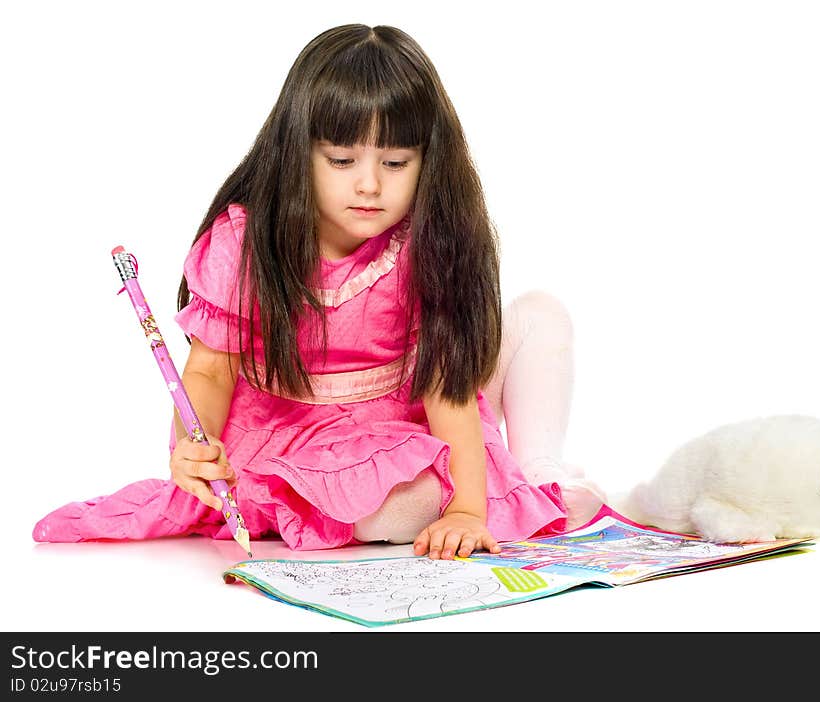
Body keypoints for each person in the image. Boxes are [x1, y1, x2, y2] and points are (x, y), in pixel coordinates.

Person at [33, 24, 604, 559]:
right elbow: (209, 374)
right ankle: (472, 487)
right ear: (298, 150)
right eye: (342, 159)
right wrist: (192, 448)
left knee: (541, 317)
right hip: (296, 435)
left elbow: (446, 383)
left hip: (413, 409)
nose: (370, 184)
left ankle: (538, 473)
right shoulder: (247, 241)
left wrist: (467, 509)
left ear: (428, 162)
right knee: (382, 511)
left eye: (396, 162)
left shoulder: (424, 240)